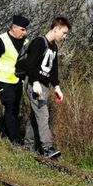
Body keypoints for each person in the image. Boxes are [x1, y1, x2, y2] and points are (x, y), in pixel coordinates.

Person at [24, 17, 71, 159]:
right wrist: (35, 81)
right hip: (35, 84)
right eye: (63, 33)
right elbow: (30, 64)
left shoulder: (54, 47)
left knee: (35, 116)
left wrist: (57, 86)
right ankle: (48, 148)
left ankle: (28, 146)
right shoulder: (39, 42)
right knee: (43, 115)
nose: (64, 37)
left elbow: (53, 69)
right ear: (55, 29)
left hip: (44, 86)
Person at [0, 14, 30, 144]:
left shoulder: (25, 42)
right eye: (22, 29)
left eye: (25, 30)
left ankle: (3, 131)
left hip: (18, 80)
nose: (25, 32)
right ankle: (14, 139)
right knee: (9, 105)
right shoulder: (1, 40)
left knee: (15, 108)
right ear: (14, 28)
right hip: (4, 79)